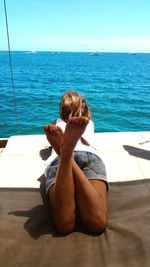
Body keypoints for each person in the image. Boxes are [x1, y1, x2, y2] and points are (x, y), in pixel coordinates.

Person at [44, 91, 108, 235]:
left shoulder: (56, 123)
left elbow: (49, 138)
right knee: (97, 224)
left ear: (61, 111)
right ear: (86, 110)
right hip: (90, 156)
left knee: (64, 226)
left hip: (58, 160)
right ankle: (65, 152)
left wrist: (61, 149)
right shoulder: (88, 122)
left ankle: (65, 154)